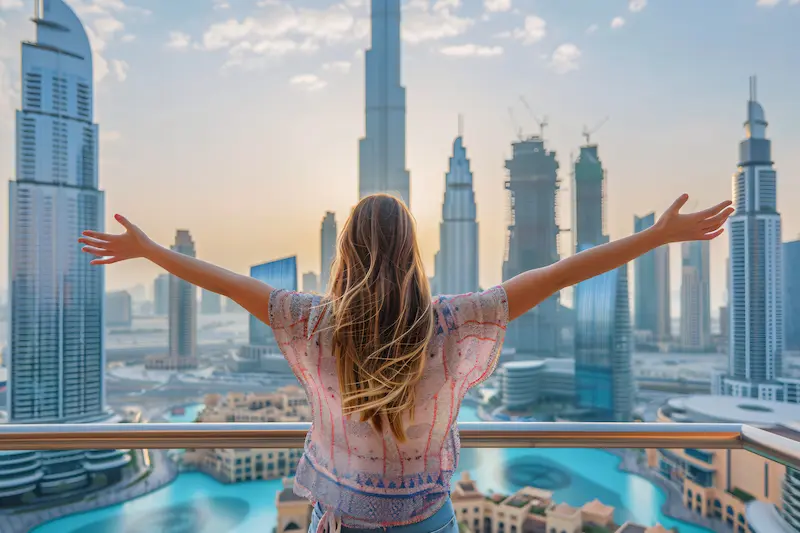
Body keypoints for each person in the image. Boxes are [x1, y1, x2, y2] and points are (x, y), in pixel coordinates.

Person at [79, 193, 732, 533]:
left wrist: (151, 250)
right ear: (411, 250)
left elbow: (223, 282)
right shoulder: (451, 324)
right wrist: (654, 236)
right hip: (429, 520)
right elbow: (557, 274)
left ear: (348, 252)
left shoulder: (314, 323)